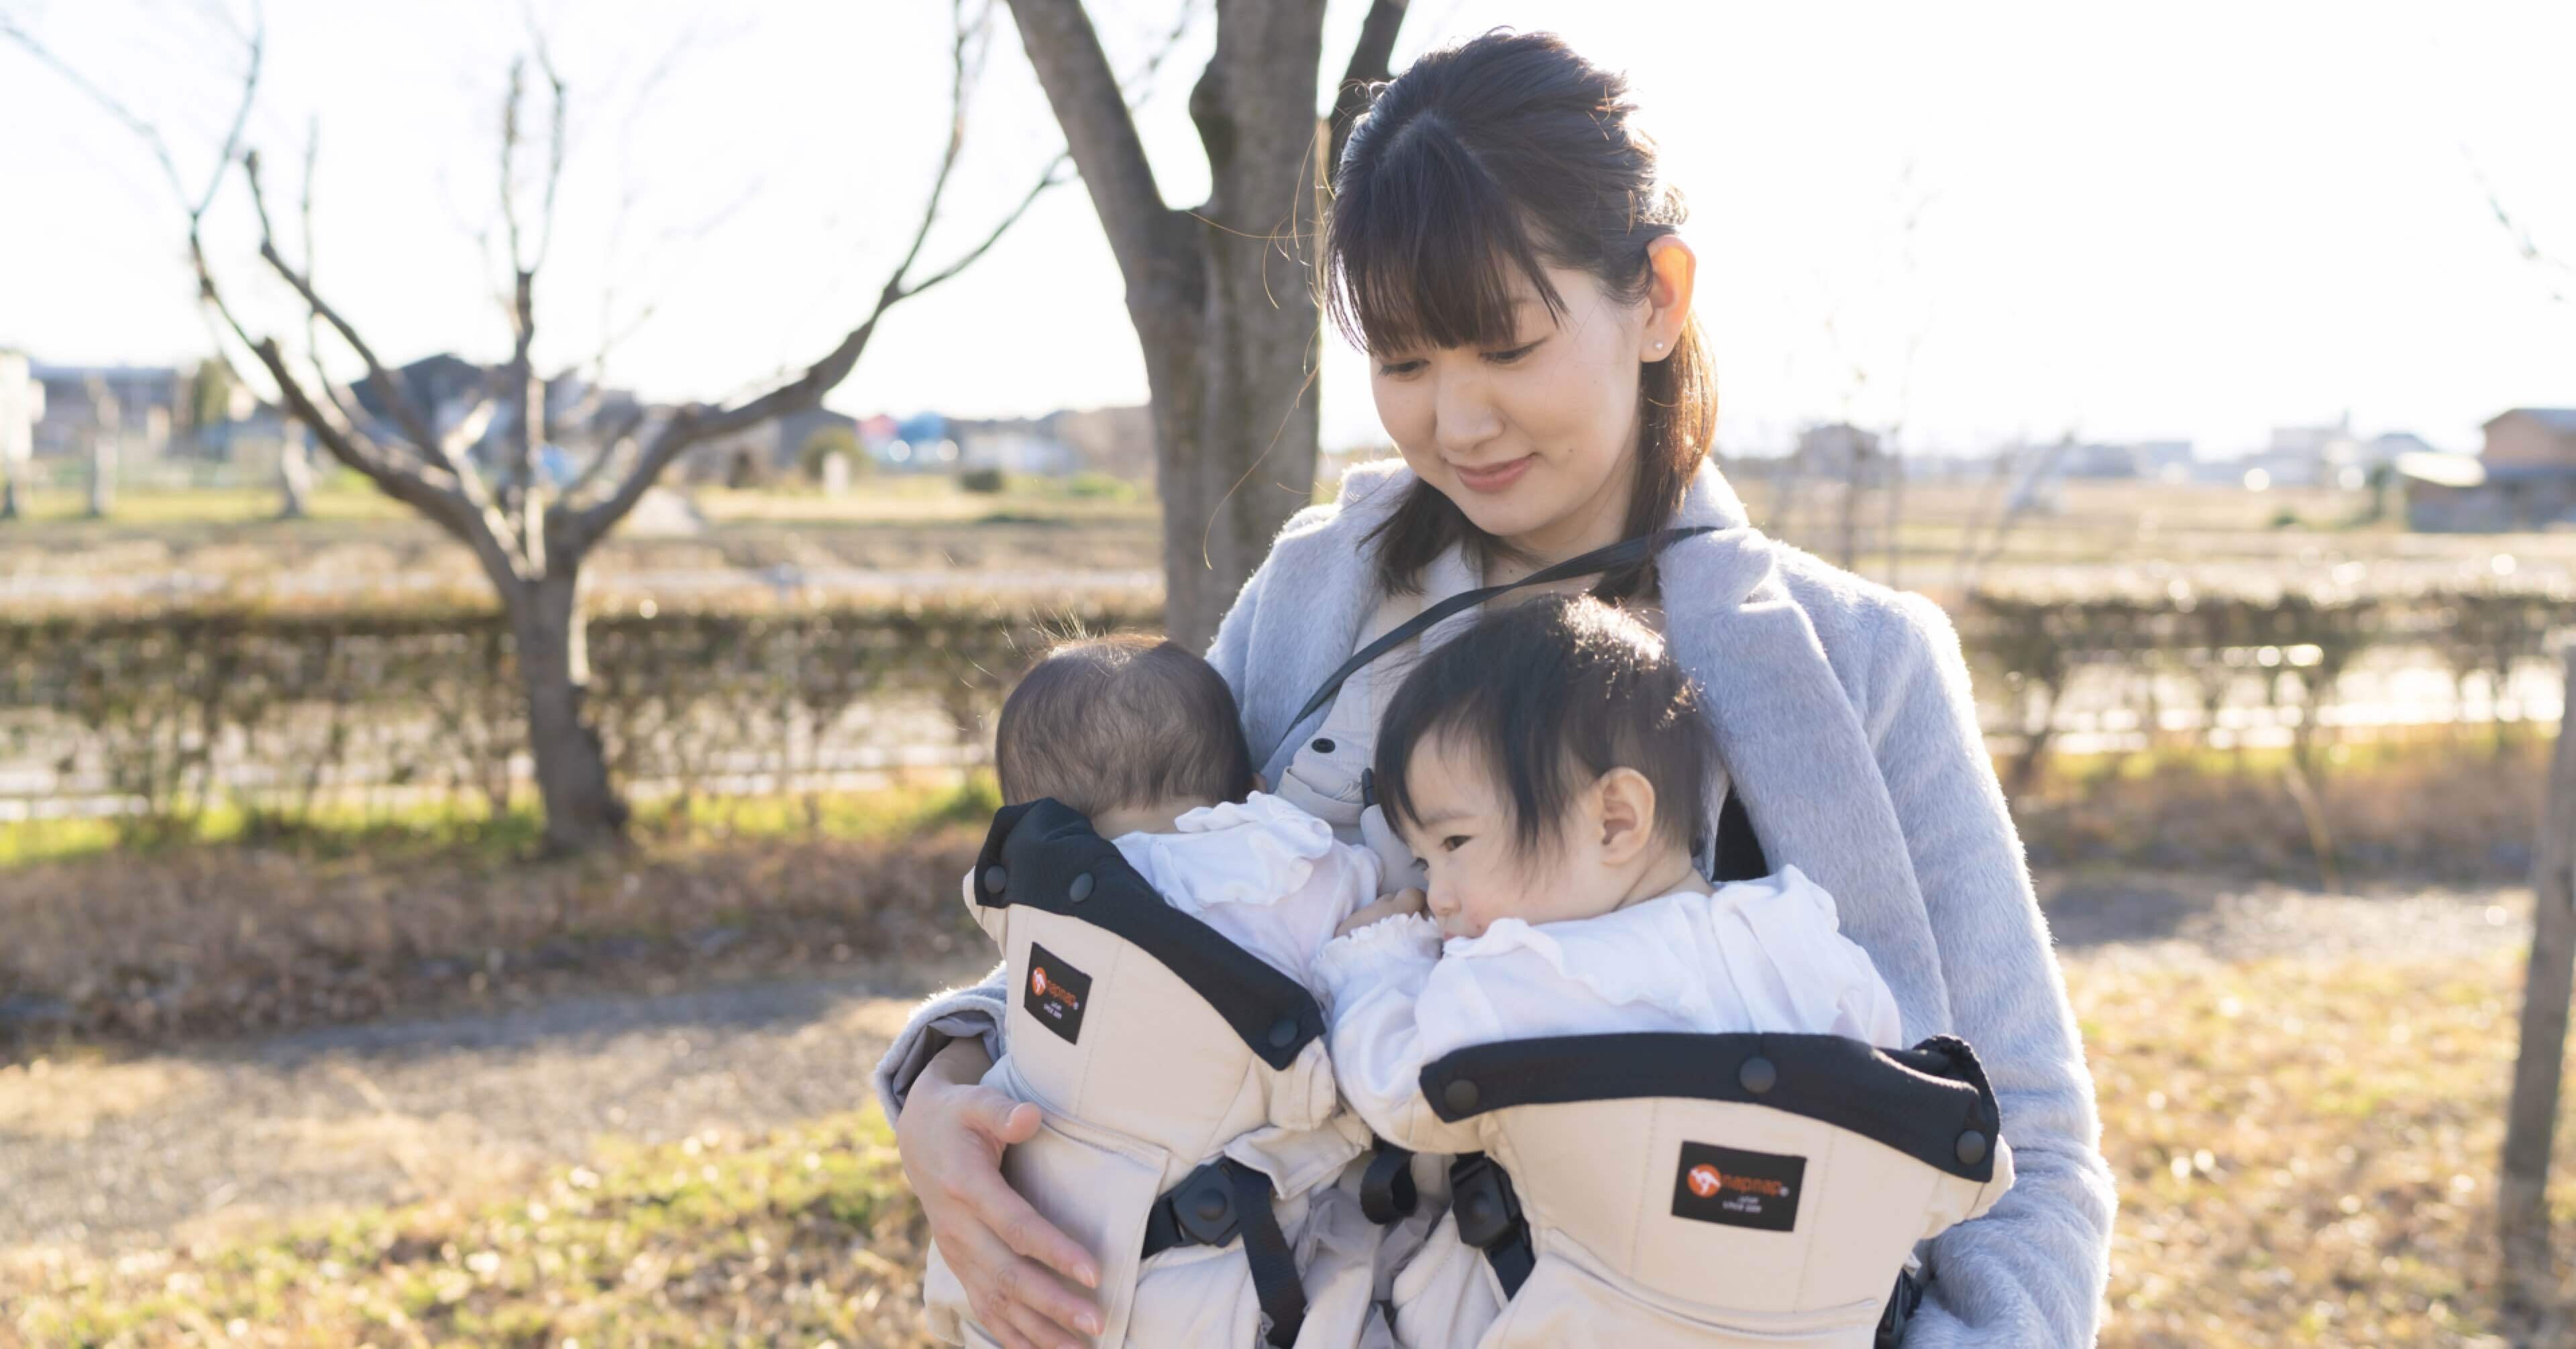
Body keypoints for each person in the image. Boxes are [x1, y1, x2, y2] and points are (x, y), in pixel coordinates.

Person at [879, 30, 2114, 1349]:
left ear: (1656, 296)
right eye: (1405, 364)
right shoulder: (1321, 594)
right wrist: (944, 1092)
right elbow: (1151, 910)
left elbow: (2024, 1141)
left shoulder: (1855, 660)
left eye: (1505, 347)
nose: (1454, 425)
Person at [1318, 594, 2012, 1347]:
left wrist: (1375, 955)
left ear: (1616, 819)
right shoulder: (1798, 937)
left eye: (1454, 842)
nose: (1439, 893)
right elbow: (1882, 1081)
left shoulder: (1522, 975)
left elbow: (1397, 1089)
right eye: (1424, 859)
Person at [922, 634, 1390, 1347]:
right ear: (1253, 787)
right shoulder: (1286, 868)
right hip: (1229, 1275)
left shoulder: (1025, 907)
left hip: (1034, 1258)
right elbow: (1367, 941)